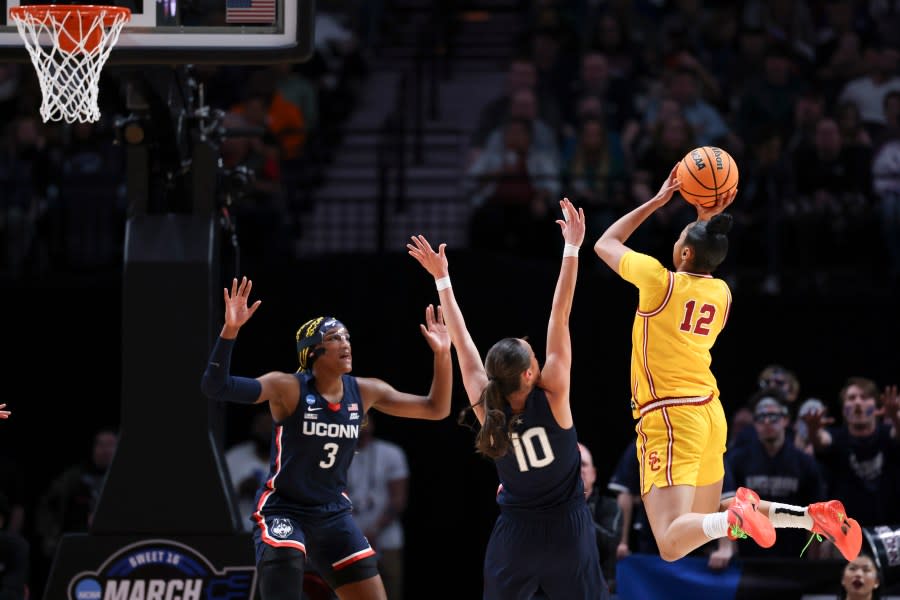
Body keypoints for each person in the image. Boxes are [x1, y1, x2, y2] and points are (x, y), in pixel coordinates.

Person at [591, 164, 863, 564]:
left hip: (669, 414)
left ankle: (742, 514)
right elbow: (701, 252)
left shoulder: (658, 282)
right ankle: (811, 518)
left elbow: (605, 242)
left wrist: (660, 200)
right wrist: (704, 220)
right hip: (707, 412)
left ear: (684, 251)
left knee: (669, 542)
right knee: (704, 523)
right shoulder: (721, 292)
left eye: (682, 237)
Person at [407, 198, 611, 600]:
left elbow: (463, 343)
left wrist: (442, 279)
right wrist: (572, 247)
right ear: (530, 373)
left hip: (516, 536)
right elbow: (560, 313)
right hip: (568, 530)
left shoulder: (487, 407)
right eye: (532, 352)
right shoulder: (554, 392)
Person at [200, 277, 452, 600]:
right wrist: (230, 330)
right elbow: (215, 387)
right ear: (313, 352)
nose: (345, 343)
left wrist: (442, 354)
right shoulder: (287, 388)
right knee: (286, 569)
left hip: (332, 513)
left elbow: (436, 408)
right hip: (284, 509)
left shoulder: (364, 391)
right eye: (334, 338)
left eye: (346, 336)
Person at [346, 411, 409, 600]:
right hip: (349, 540)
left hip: (386, 539)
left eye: (365, 419)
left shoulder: (391, 453)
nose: (361, 425)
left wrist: (374, 530)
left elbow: (398, 500)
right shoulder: (336, 453)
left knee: (390, 590)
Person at [224, 409, 274, 532]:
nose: (266, 431)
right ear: (253, 428)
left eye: (270, 425)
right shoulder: (233, 456)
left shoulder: (290, 458)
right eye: (262, 425)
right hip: (237, 530)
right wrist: (240, 488)